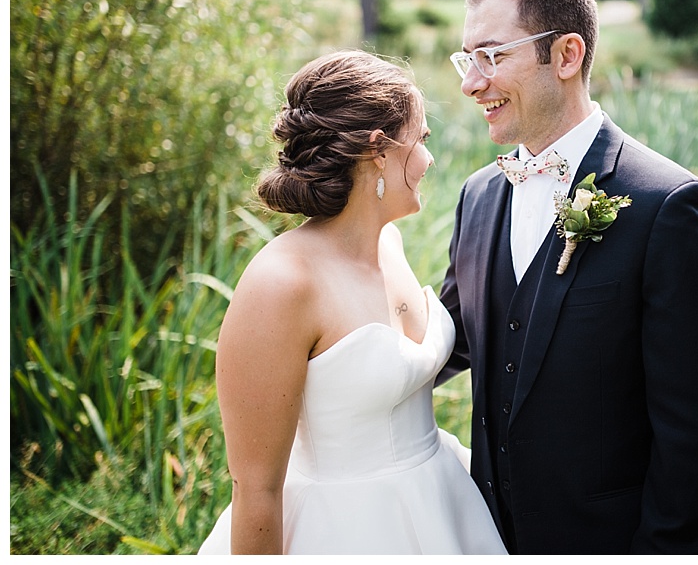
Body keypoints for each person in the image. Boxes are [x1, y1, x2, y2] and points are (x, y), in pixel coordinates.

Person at [437, 0, 698, 554]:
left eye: (493, 56)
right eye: (467, 59)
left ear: (567, 55)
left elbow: (697, 441)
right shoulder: (477, 196)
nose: (472, 82)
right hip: (489, 541)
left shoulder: (669, 207)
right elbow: (454, 338)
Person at [198, 50, 506, 555]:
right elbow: (257, 489)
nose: (430, 159)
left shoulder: (390, 245)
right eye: (421, 139)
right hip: (343, 531)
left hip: (441, 506)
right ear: (379, 150)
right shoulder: (282, 283)